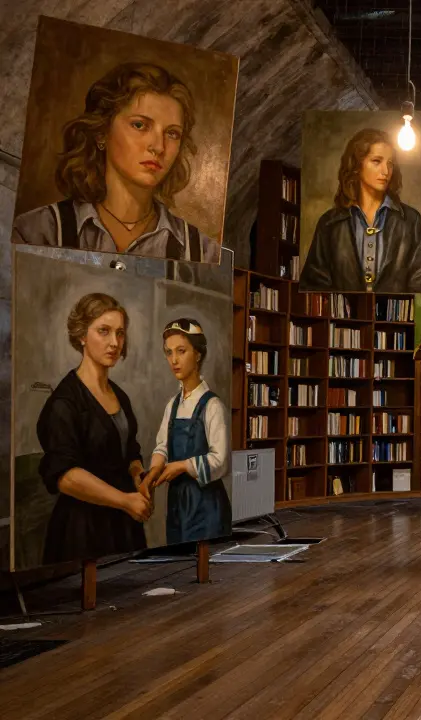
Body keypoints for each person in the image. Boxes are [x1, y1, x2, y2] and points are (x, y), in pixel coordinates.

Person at [12, 63, 220, 262]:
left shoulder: (201, 251)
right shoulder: (39, 230)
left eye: (172, 133)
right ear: (102, 132)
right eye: (140, 125)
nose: (159, 146)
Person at [37, 293, 150, 565]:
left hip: (123, 521)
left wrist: (139, 476)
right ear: (81, 335)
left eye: (120, 333)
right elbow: (65, 476)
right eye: (104, 331)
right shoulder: (64, 403)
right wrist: (125, 500)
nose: (114, 342)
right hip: (83, 526)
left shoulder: (119, 395)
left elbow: (130, 450)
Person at [300, 127, 421, 292]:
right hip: (343, 316)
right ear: (357, 165)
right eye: (376, 161)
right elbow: (315, 283)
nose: (386, 171)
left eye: (390, 164)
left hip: (396, 316)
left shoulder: (410, 220)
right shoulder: (330, 223)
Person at [142, 318, 231, 545]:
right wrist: (152, 475)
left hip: (206, 505)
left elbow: (220, 461)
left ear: (198, 354)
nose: (174, 360)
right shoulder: (172, 405)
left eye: (181, 351)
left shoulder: (212, 406)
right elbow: (162, 446)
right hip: (177, 505)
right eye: (169, 352)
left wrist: (182, 466)